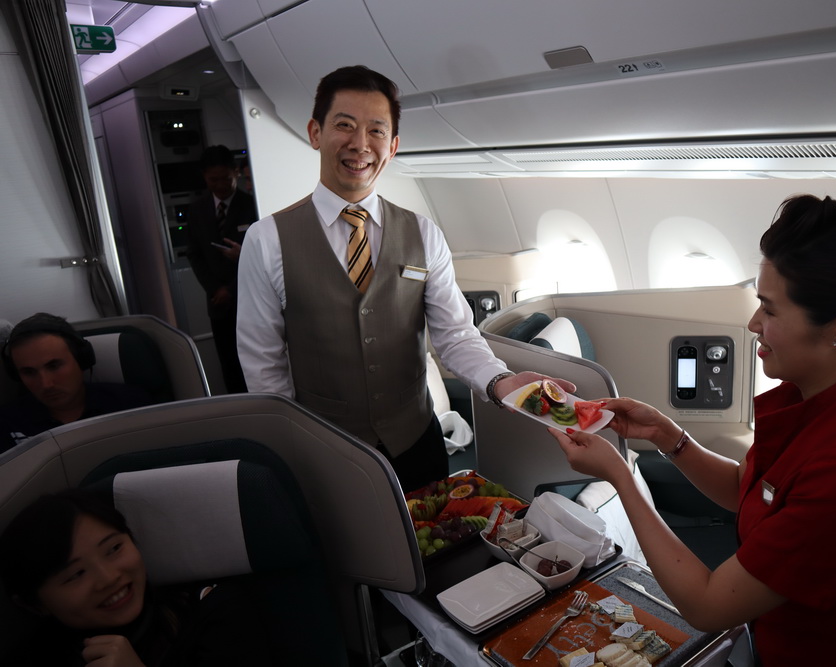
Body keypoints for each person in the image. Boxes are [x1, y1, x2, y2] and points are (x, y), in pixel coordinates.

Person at [550, 195, 836, 666]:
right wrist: (669, 438)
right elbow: (752, 491)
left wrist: (620, 476)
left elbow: (706, 606)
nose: (752, 323)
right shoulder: (820, 395)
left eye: (770, 310)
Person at [237, 65, 570, 491]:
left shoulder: (423, 233)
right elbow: (265, 368)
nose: (360, 144)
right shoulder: (266, 241)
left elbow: (455, 336)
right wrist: (298, 449)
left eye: (376, 131)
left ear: (392, 146)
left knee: (432, 549)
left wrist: (500, 381)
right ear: (315, 133)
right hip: (326, 449)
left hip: (416, 442)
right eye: (344, 125)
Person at [0, 488, 273, 666]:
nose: (108, 578)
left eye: (114, 549)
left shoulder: (211, 611)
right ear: (34, 604)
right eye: (76, 574)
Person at [1, 313, 151, 453]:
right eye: (29, 372)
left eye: (54, 366)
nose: (46, 384)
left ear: (82, 360)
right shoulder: (7, 423)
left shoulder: (131, 405)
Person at [186, 145, 259, 394]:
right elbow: (195, 254)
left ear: (236, 173)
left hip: (250, 298)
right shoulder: (197, 209)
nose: (219, 185)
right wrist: (215, 289)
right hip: (218, 302)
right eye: (212, 180)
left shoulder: (253, 205)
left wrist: (231, 288)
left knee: (256, 362)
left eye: (225, 179)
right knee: (228, 364)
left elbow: (264, 256)